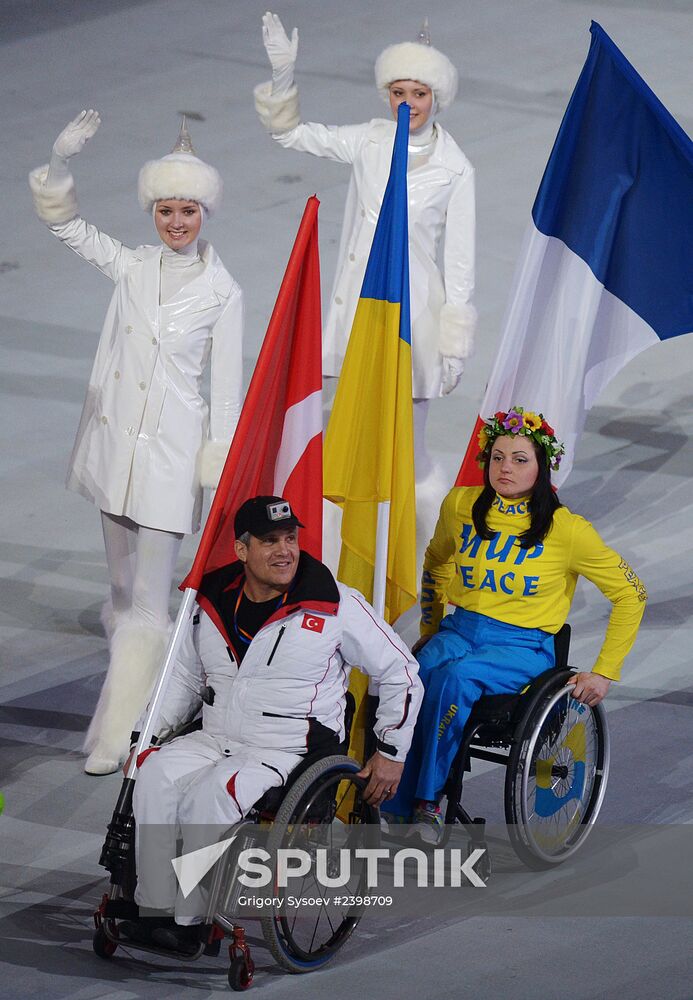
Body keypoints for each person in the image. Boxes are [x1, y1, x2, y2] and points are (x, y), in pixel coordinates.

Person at [28, 112, 244, 775]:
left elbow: (227, 395)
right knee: (121, 595)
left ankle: (119, 731)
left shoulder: (223, 292)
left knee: (150, 602)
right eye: (165, 210)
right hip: (115, 452)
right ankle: (151, 692)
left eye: (187, 210)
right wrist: (59, 163)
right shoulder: (131, 267)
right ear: (152, 212)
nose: (175, 222)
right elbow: (65, 225)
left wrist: (215, 483)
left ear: (204, 212)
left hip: (171, 462)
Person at [119, 495, 422, 952]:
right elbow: (180, 678)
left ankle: (190, 921)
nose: (285, 550)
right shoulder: (211, 599)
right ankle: (155, 908)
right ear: (242, 550)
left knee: (210, 797)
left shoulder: (335, 604)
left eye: (290, 538)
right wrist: (146, 736)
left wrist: (390, 752)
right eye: (269, 541)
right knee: (153, 775)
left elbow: (402, 673)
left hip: (287, 750)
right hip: (216, 735)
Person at [254, 12, 476, 530]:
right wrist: (283, 78)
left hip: (416, 316)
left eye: (419, 93)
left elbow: (460, 261)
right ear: (386, 94)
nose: (408, 103)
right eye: (399, 90)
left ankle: (417, 543)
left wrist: (453, 341)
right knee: (351, 427)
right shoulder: (368, 141)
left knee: (411, 445)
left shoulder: (457, 168)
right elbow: (289, 136)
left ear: (436, 98)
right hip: (360, 307)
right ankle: (341, 539)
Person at [386, 406, 647, 842]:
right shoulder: (461, 504)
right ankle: (391, 799)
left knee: (452, 679)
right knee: (405, 676)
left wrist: (604, 670)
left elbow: (630, 594)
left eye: (520, 459)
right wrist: (431, 627)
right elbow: (435, 561)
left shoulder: (567, 530)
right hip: (459, 630)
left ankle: (426, 802)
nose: (505, 468)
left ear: (541, 467)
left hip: (522, 648)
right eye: (498, 457)